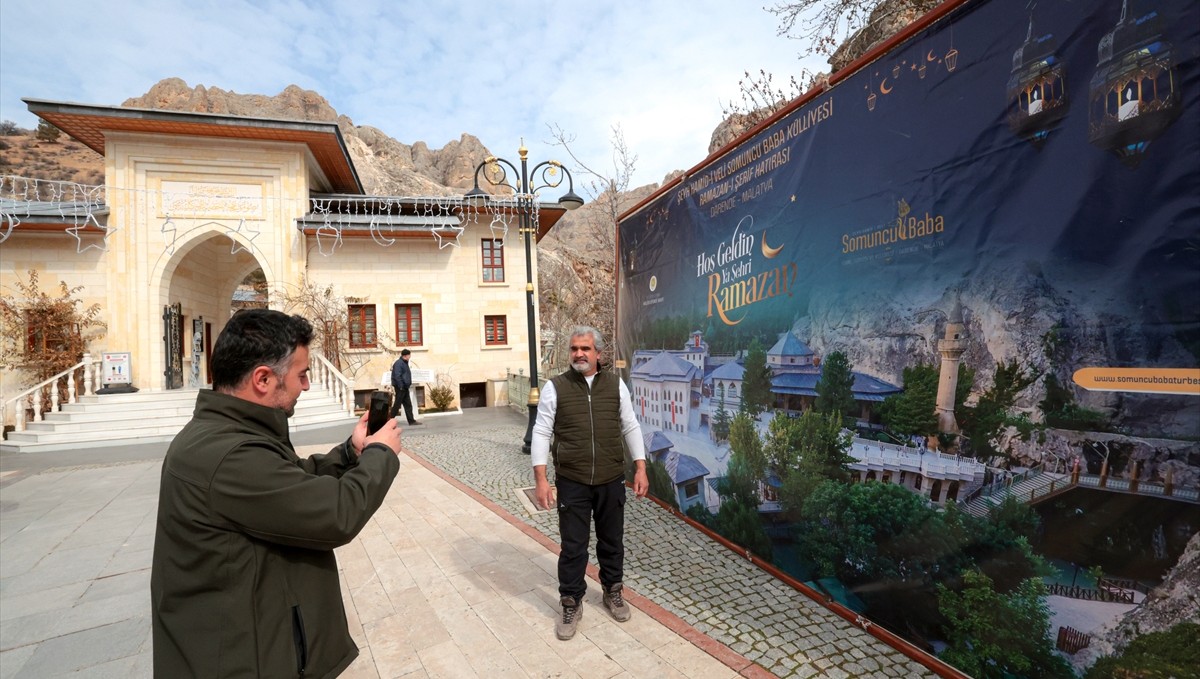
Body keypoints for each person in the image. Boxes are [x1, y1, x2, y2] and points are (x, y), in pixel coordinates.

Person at [151, 309, 402, 678]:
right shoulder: (230, 455)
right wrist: (381, 454)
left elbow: (291, 483)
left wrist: (351, 452)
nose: (307, 385)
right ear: (263, 379)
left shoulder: (230, 434)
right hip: (240, 662)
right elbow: (335, 514)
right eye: (301, 375)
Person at [531, 325, 648, 640]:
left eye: (585, 349)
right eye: (574, 349)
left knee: (612, 542)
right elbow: (541, 432)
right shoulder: (556, 388)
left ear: (598, 353)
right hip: (573, 481)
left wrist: (640, 467)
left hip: (611, 479)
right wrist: (541, 479)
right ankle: (571, 601)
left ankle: (612, 590)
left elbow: (630, 425)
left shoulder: (616, 385)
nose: (578, 354)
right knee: (573, 547)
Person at [390, 348, 421, 425]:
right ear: (406, 355)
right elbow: (397, 376)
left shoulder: (404, 362)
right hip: (400, 387)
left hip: (404, 387)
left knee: (408, 404)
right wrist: (400, 386)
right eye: (409, 355)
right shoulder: (399, 363)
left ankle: (411, 421)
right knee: (397, 404)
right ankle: (389, 419)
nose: (410, 356)